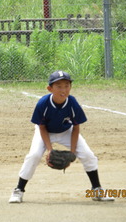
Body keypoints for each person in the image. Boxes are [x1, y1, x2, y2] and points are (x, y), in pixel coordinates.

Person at [8, 70, 114, 203]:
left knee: (88, 155)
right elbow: (41, 127)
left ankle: (97, 189)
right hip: (45, 132)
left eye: (66, 85)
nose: (63, 89)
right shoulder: (43, 104)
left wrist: (72, 153)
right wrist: (50, 150)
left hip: (66, 131)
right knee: (33, 155)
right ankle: (18, 190)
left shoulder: (72, 103)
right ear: (49, 88)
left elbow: (76, 127)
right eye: (58, 86)